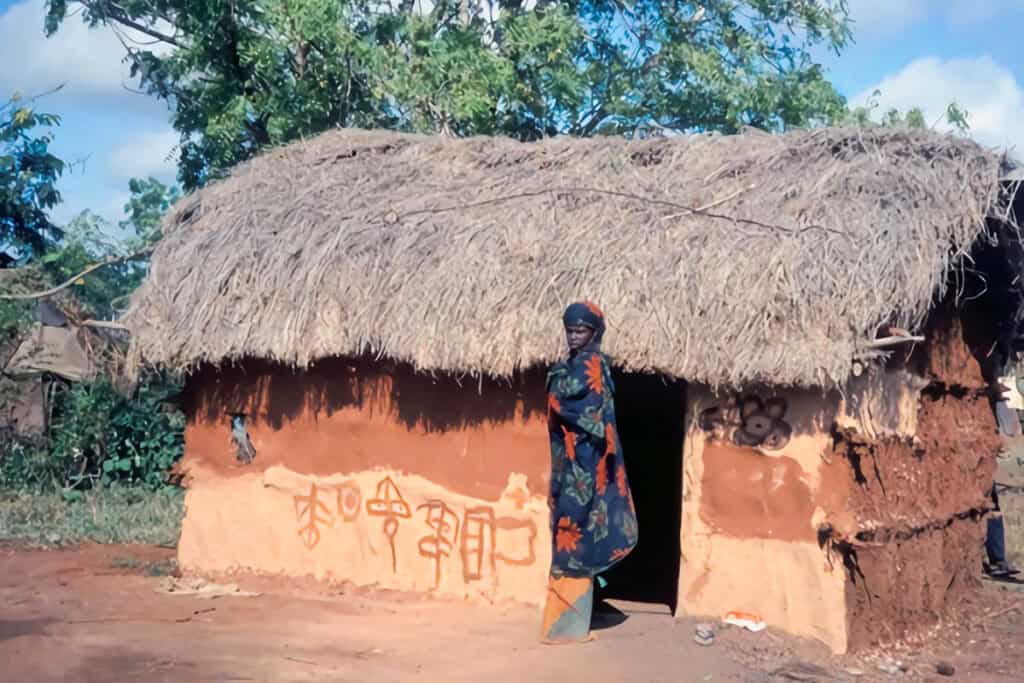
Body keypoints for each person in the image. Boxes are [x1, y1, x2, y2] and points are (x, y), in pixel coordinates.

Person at [540, 301, 638, 644]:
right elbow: (566, 406)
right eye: (569, 330)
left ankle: (569, 623)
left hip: (585, 465)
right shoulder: (577, 366)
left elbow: (585, 411)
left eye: (580, 330)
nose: (573, 336)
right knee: (573, 537)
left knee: (578, 535)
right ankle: (563, 627)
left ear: (594, 333)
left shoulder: (590, 366)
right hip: (576, 466)